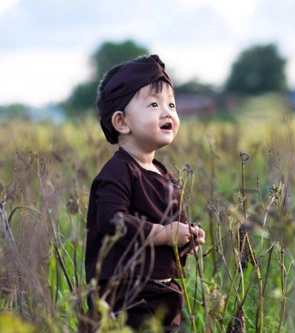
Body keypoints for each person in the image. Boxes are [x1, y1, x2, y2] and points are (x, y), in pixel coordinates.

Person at [84, 54, 205, 332]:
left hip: (165, 296)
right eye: (154, 104)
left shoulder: (167, 176)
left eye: (171, 104)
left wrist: (188, 236)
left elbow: (173, 232)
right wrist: (163, 234)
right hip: (125, 300)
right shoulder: (118, 171)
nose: (168, 112)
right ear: (121, 122)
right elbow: (113, 221)